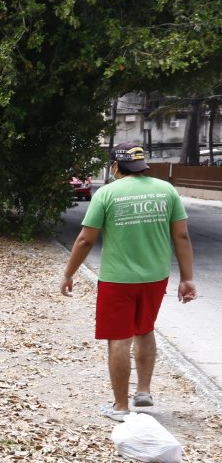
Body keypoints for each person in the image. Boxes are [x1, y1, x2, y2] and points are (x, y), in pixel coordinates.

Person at [61, 146, 197, 421]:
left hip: (117, 278)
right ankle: (143, 391)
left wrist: (68, 273)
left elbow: (86, 239)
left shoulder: (108, 194)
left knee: (118, 339)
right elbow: (181, 237)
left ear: (114, 167)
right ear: (142, 165)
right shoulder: (166, 190)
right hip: (155, 277)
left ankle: (121, 407)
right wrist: (187, 278)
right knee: (145, 330)